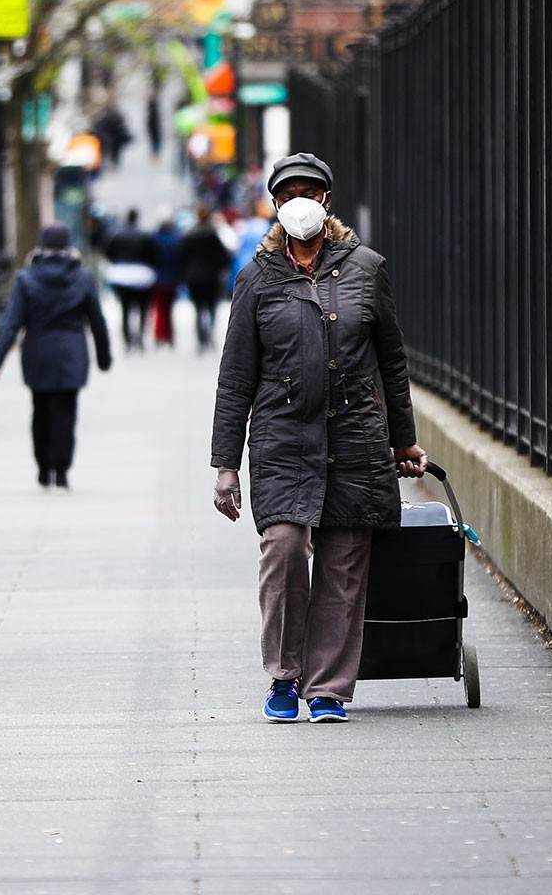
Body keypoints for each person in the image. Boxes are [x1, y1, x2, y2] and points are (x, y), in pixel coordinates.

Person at [209, 152, 428, 723]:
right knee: (283, 549)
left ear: (326, 200)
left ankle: (328, 687)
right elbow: (236, 377)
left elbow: (392, 363)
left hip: (355, 437)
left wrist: (404, 442)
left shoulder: (366, 267)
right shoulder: (256, 276)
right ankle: (284, 677)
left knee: (343, 564)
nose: (299, 200)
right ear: (275, 204)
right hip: (282, 438)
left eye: (310, 190)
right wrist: (225, 464)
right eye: (288, 192)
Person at [0, 223, 112, 490]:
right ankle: (62, 470)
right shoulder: (83, 277)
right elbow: (97, 321)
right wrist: (103, 357)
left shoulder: (26, 278)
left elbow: (12, 323)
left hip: (37, 351)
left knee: (40, 409)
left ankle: (43, 468)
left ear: (41, 246)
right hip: (71, 351)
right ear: (68, 246)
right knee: (66, 411)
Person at [177, 205, 233, 352]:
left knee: (197, 308)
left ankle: (201, 337)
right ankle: (209, 335)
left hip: (193, 277)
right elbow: (223, 256)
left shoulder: (189, 235)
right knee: (211, 307)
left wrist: (184, 273)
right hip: (211, 276)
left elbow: (181, 256)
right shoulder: (212, 234)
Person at [102, 209, 159, 351]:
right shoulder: (145, 235)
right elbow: (154, 254)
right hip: (142, 275)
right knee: (143, 308)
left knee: (125, 309)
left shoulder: (117, 235)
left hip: (122, 275)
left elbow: (108, 252)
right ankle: (139, 337)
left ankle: (127, 339)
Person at [150, 213, 182, 348]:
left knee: (160, 309)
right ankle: (169, 335)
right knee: (168, 308)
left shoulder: (155, 239)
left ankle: (160, 334)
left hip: (158, 277)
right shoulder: (176, 239)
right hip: (172, 277)